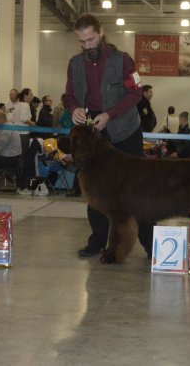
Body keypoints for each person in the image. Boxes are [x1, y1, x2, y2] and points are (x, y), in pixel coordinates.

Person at [64, 13, 152, 258]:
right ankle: (97, 242)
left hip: (125, 131)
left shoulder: (122, 60)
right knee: (95, 191)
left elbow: (135, 94)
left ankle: (153, 245)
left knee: (136, 192)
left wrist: (110, 114)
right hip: (95, 139)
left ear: (101, 32)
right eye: (81, 42)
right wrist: (74, 109)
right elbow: (69, 95)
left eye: (90, 40)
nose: (86, 46)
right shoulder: (74, 63)